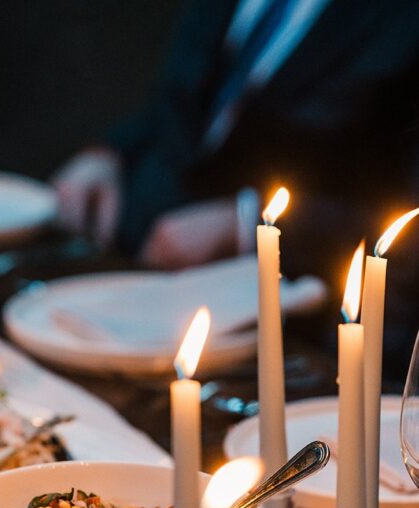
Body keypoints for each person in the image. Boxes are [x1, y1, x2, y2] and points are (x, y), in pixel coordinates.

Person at [52, 0, 419, 366]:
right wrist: (107, 152)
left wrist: (244, 222)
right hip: (134, 285)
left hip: (296, 331)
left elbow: (403, 210)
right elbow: (184, 100)